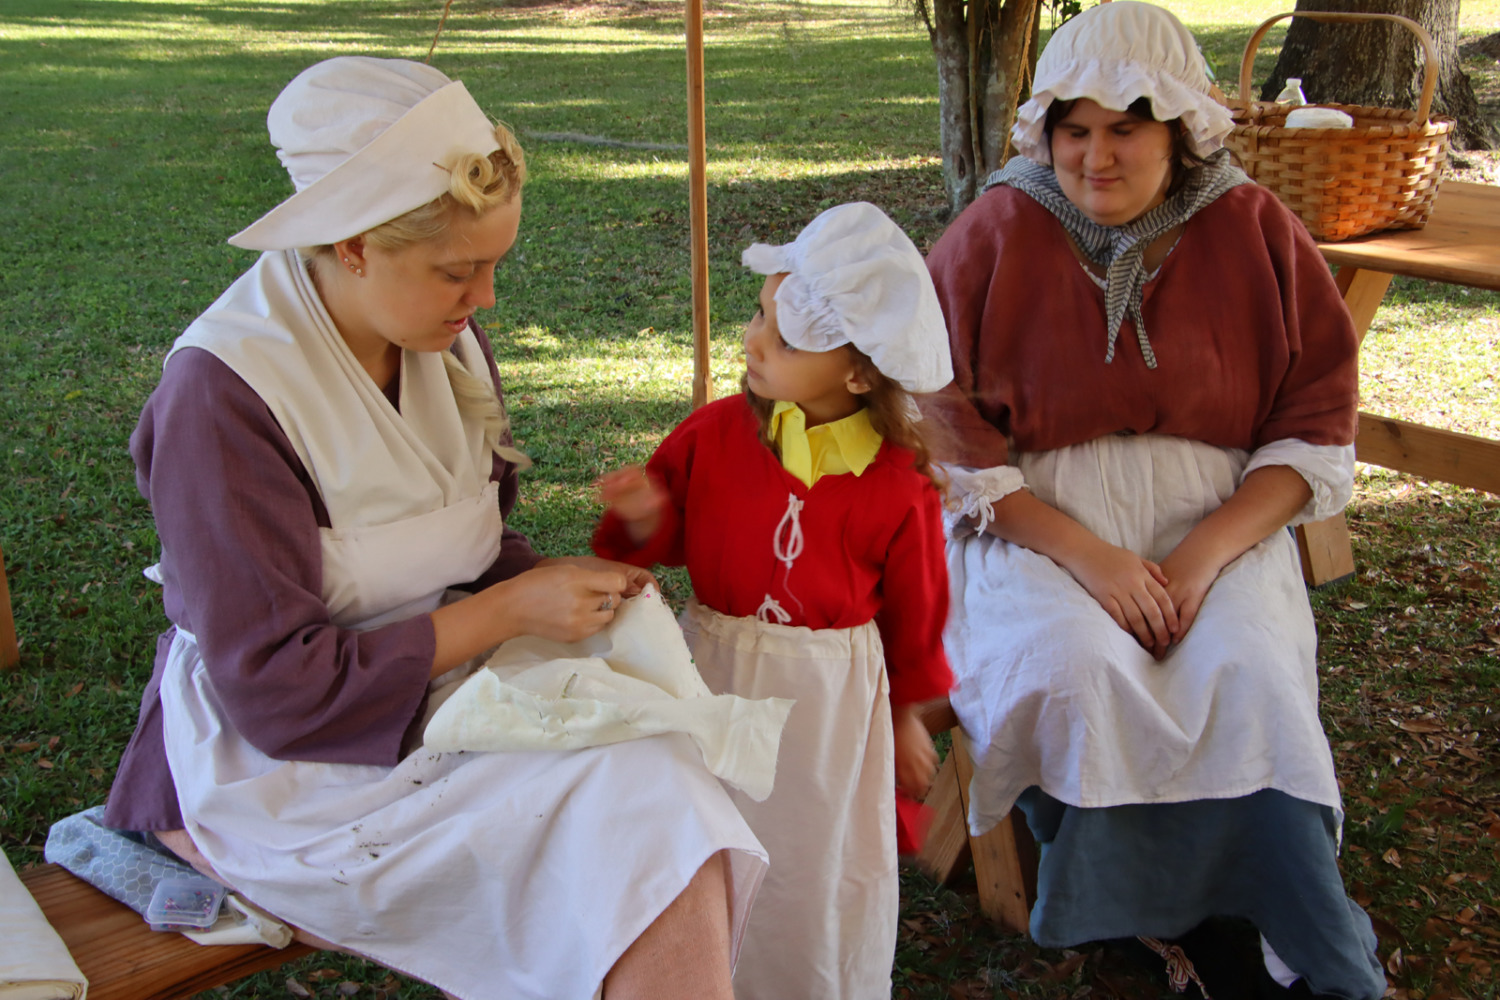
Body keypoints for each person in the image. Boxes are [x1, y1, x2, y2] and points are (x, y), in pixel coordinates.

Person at [101, 56, 767, 1000]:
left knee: (658, 786)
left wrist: (548, 582)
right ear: (354, 246)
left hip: (434, 690)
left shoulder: (436, 338)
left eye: (494, 264)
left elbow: (468, 540)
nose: (485, 300)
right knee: (635, 808)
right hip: (287, 766)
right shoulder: (224, 398)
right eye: (461, 271)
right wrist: (509, 612)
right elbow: (278, 694)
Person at [922, 4, 1385, 998]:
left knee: (1246, 674)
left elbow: (1314, 415)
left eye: (1125, 127)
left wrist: (1203, 555)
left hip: (1213, 519)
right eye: (1075, 130)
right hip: (1035, 526)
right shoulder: (999, 226)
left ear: (1179, 129)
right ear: (1045, 131)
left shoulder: (1253, 226)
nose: (1096, 156)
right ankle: (1133, 925)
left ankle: (1257, 926)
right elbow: (943, 418)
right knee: (1074, 668)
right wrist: (1091, 558)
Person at [592, 202, 954, 1000]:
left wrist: (906, 715)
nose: (754, 339)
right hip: (714, 674)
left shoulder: (898, 487)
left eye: (785, 340)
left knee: (808, 852)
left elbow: (916, 614)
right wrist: (646, 514)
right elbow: (669, 532)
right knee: (709, 838)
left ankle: (799, 977)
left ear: (858, 372)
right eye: (760, 315)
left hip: (824, 708)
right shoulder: (716, 435)